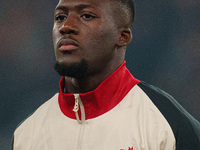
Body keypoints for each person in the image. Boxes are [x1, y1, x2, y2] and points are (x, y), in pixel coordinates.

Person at [12, 0, 200, 149]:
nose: (66, 26)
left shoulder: (167, 126)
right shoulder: (26, 135)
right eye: (60, 17)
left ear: (122, 36)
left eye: (86, 15)